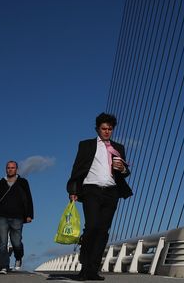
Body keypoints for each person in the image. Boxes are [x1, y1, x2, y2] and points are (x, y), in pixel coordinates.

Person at [67, 113, 132, 281]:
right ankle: (84, 267)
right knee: (92, 227)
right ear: (97, 129)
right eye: (104, 128)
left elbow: (126, 172)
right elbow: (77, 168)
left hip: (111, 192)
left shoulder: (119, 148)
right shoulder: (86, 145)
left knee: (103, 231)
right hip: (91, 190)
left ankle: (93, 270)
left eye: (110, 129)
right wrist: (73, 190)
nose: (107, 131)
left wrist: (122, 169)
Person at [0, 160, 34, 274]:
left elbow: (28, 198)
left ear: (16, 169)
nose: (10, 169)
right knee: (2, 243)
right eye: (8, 167)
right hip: (2, 216)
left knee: (16, 242)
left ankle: (18, 257)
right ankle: (4, 266)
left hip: (17, 216)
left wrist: (29, 215)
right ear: (6, 169)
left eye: (12, 167)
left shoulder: (23, 182)